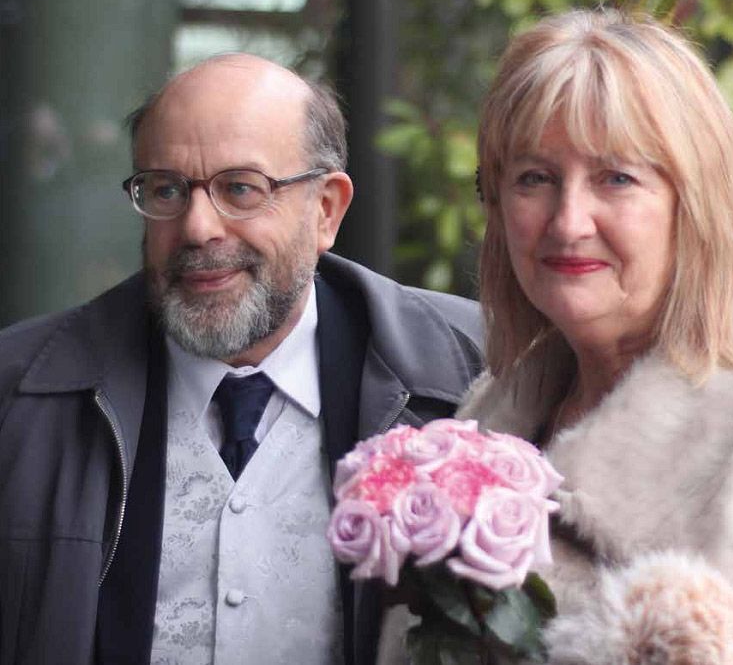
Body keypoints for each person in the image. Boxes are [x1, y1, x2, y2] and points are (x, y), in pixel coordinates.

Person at [376, 8, 733, 665]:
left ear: (695, 206)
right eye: (535, 178)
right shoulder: (491, 411)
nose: (568, 221)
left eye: (616, 177)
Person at [0, 54, 483, 665]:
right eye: (166, 189)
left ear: (326, 210)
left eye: (240, 188)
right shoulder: (17, 394)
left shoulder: (476, 379)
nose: (199, 226)